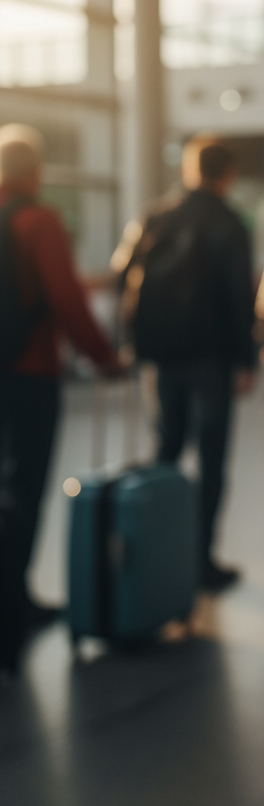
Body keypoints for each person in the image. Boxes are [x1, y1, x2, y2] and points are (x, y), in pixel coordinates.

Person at [115, 138, 254, 592]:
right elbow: (238, 299)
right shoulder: (229, 223)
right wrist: (246, 360)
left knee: (166, 451)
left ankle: (155, 551)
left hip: (159, 355)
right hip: (209, 358)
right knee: (211, 460)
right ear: (227, 174)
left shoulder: (155, 216)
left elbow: (123, 275)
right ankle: (199, 561)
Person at [0, 124, 121, 643]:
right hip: (28, 372)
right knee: (23, 488)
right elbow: (65, 298)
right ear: (36, 172)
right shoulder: (39, 221)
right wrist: (104, 358)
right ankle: (14, 601)